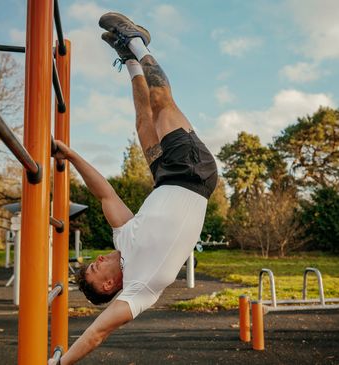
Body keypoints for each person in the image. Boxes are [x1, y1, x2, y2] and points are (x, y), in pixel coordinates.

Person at [48, 12, 217, 365]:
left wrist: (74, 156)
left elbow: (105, 194)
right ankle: (136, 41)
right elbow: (97, 332)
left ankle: (127, 58)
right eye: (96, 269)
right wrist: (61, 363)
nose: (97, 261)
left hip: (167, 177)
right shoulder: (139, 291)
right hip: (193, 173)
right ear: (109, 286)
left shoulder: (123, 240)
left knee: (142, 123)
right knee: (161, 106)